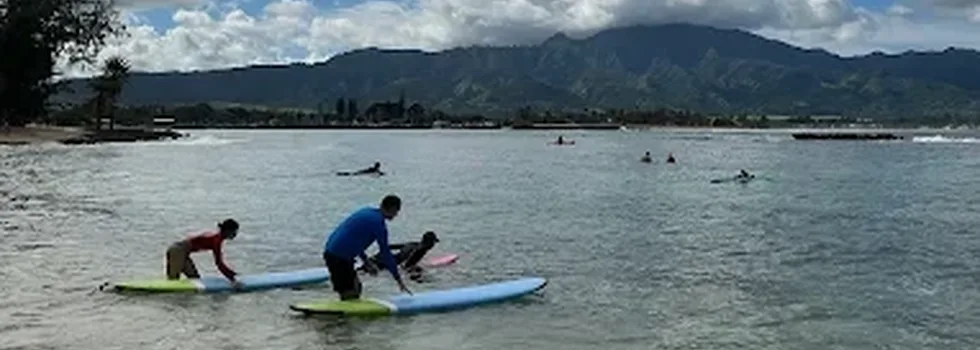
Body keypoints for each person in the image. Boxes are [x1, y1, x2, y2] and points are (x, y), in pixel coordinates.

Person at [322, 195, 411, 300]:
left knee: (356, 287)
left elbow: (355, 241)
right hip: (338, 257)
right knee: (350, 292)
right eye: (397, 211)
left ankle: (345, 312)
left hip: (334, 253)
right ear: (392, 209)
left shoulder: (367, 212)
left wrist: (367, 262)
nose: (396, 215)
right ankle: (341, 313)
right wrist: (398, 280)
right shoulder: (378, 224)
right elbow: (386, 253)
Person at [165, 219, 243, 289]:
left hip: (182, 252)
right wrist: (232, 279)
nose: (235, 234)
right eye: (234, 231)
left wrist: (232, 274)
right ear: (227, 231)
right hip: (177, 251)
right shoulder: (217, 240)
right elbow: (219, 263)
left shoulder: (217, 237)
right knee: (173, 283)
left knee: (195, 279)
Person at [366, 231, 440, 272]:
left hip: (380, 258)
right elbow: (407, 264)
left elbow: (389, 246)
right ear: (429, 242)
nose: (433, 245)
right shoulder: (421, 250)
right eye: (433, 242)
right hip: (384, 264)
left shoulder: (412, 243)